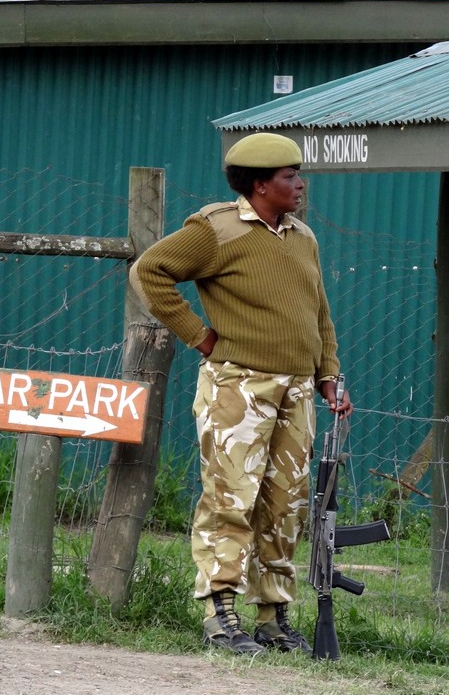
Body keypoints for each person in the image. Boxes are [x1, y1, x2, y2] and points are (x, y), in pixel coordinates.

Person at [130, 132, 352, 656]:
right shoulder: (216, 230)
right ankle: (219, 612)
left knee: (286, 506)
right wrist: (199, 336)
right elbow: (151, 272)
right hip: (239, 388)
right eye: (288, 177)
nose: (299, 185)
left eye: (297, 175)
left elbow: (318, 314)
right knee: (232, 499)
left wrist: (328, 376)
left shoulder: (302, 237)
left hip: (297, 391)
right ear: (259, 184)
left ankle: (273, 616)